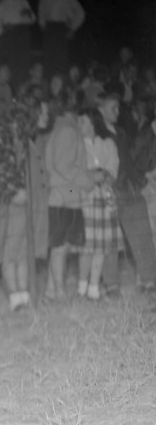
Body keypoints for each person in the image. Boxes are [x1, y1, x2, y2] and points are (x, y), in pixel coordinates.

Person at [97, 93, 156, 296]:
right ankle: (111, 285)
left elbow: (132, 158)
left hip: (131, 188)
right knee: (111, 240)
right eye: (112, 108)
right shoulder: (98, 134)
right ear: (100, 109)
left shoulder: (121, 131)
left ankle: (148, 281)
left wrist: (139, 181)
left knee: (143, 235)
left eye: (118, 107)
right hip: (112, 191)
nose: (117, 111)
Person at [0, 100, 35, 312]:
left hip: (22, 200)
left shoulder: (23, 140)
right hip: (4, 200)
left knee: (21, 251)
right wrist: (13, 192)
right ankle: (14, 297)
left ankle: (24, 294)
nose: (18, 126)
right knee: (8, 252)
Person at [44, 88, 94, 301]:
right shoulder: (68, 130)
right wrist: (88, 182)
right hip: (63, 196)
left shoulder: (62, 127)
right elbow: (63, 165)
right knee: (60, 247)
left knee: (60, 247)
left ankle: (51, 290)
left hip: (66, 193)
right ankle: (60, 292)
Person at [77, 108, 120, 300]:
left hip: (105, 199)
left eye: (83, 121)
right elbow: (79, 172)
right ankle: (81, 288)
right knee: (87, 246)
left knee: (101, 246)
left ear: (93, 123)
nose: (79, 125)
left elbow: (112, 170)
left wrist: (101, 175)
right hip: (86, 198)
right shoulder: (78, 144)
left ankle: (94, 288)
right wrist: (95, 174)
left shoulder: (108, 143)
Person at [38, 0, 84, 77]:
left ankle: (62, 81)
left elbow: (80, 13)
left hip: (62, 27)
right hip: (49, 27)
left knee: (62, 57)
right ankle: (48, 80)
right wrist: (42, 25)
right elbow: (41, 12)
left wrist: (72, 29)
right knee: (48, 56)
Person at [0, 0, 35, 84]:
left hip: (23, 32)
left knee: (25, 61)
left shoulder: (23, 1)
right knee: (13, 62)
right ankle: (13, 87)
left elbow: (33, 19)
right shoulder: (1, 4)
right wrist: (5, 29)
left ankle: (25, 86)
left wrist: (28, 14)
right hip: (10, 35)